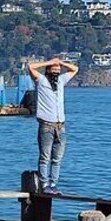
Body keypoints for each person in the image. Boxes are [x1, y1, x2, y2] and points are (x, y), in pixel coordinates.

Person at [28, 57, 79, 195]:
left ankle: (53, 184)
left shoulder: (61, 81)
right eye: (54, 67)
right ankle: (44, 184)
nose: (57, 69)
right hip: (46, 125)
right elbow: (31, 67)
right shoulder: (41, 80)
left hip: (60, 126)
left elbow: (75, 69)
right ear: (49, 69)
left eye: (58, 68)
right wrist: (50, 62)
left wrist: (60, 62)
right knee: (45, 157)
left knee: (57, 158)